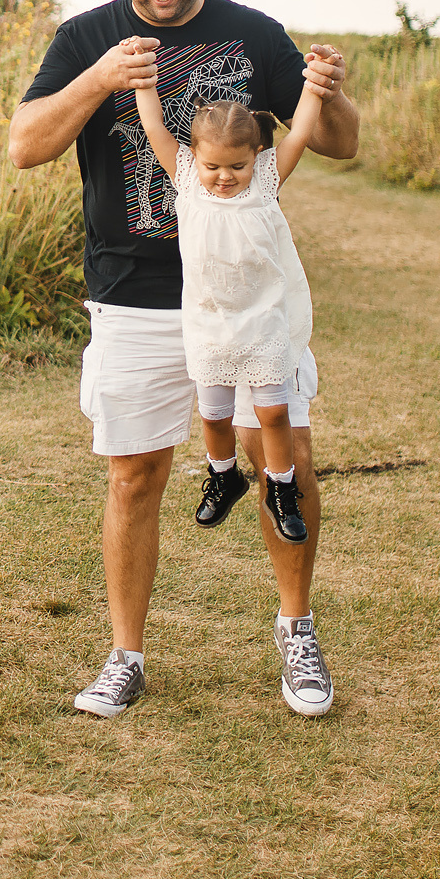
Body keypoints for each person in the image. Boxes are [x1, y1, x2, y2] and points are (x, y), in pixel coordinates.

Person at [8, 0, 358, 719]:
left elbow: (339, 142)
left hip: (246, 303)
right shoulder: (87, 36)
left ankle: (297, 630)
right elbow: (25, 146)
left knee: (285, 453)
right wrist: (99, 78)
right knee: (134, 475)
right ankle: (125, 656)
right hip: (133, 296)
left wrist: (328, 92)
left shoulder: (253, 33)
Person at [125, 69, 322, 548]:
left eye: (237, 165)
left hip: (263, 322)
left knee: (273, 413)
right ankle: (224, 475)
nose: (224, 176)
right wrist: (144, 84)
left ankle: (282, 488)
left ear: (258, 155)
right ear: (194, 157)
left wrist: (314, 88)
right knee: (214, 416)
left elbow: (299, 133)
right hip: (209, 322)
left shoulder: (264, 183)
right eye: (212, 165)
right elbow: (153, 127)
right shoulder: (188, 183)